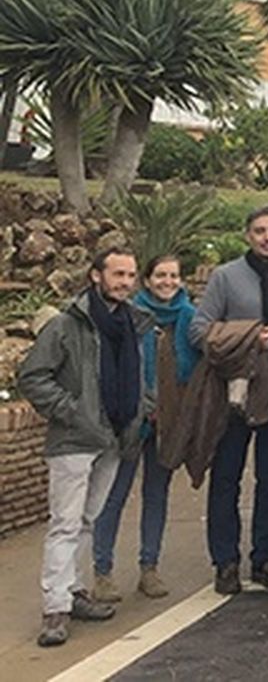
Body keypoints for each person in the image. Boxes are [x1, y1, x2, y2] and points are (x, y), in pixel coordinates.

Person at [20, 249, 149, 648]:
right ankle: (55, 608)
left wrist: (142, 408)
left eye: (130, 275)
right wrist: (73, 411)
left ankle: (74, 591)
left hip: (114, 437)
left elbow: (138, 376)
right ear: (96, 275)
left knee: (88, 519)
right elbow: (33, 376)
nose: (125, 282)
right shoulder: (65, 324)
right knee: (65, 522)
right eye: (117, 274)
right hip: (75, 439)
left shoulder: (133, 323)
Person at [191, 206, 268, 594]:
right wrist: (246, 337)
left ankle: (265, 557)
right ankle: (225, 560)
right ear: (248, 235)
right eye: (259, 231)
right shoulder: (226, 277)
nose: (267, 237)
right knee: (226, 475)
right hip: (236, 386)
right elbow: (199, 329)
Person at [92, 254, 197, 603]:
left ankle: (149, 568)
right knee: (114, 494)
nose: (168, 282)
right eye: (160, 276)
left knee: (157, 495)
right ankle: (102, 571)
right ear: (147, 281)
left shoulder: (189, 318)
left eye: (174, 276)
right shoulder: (130, 316)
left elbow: (204, 359)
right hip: (130, 419)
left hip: (169, 420)